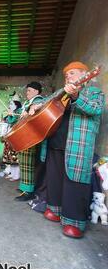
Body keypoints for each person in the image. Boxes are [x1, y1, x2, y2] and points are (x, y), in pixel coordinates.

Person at [32, 61, 105, 238]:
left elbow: (95, 109)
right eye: (66, 74)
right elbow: (46, 100)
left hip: (77, 147)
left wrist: (77, 96)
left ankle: (74, 222)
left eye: (72, 73)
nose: (68, 76)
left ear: (84, 74)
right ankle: (54, 210)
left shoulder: (94, 93)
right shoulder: (62, 92)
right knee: (55, 180)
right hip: (55, 144)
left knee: (75, 184)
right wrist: (34, 106)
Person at [15, 81, 43, 201]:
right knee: (23, 162)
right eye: (27, 90)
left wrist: (31, 108)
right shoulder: (28, 102)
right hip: (25, 136)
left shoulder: (38, 100)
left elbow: (39, 106)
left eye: (29, 90)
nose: (27, 93)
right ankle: (24, 187)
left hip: (30, 137)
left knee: (27, 164)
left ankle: (29, 192)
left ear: (36, 91)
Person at [2, 98, 22, 181]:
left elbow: (12, 121)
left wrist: (10, 115)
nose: (9, 106)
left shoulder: (19, 112)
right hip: (9, 138)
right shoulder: (12, 113)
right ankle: (12, 174)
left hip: (15, 137)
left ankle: (16, 175)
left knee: (15, 157)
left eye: (11, 104)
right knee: (11, 158)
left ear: (16, 106)